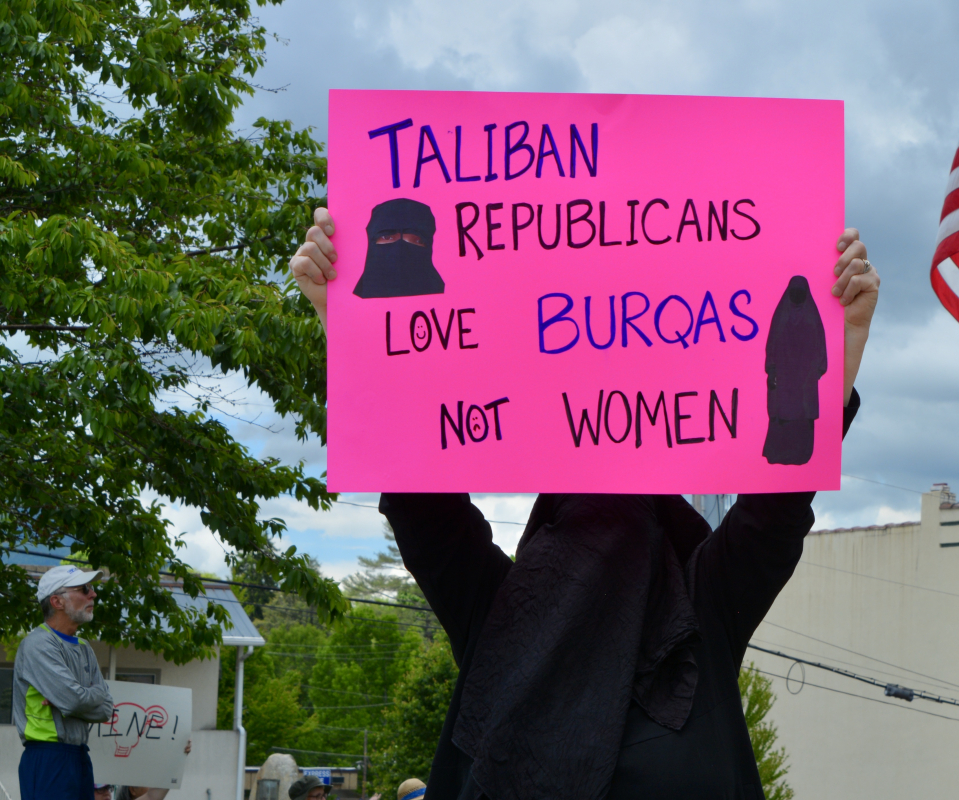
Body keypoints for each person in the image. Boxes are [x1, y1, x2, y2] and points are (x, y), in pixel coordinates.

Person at [291, 209, 879, 800]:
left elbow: (774, 508)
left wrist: (841, 344)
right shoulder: (495, 615)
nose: (598, 548)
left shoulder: (702, 616)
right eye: (577, 522)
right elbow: (422, 498)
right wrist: (347, 319)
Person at [15, 564, 115, 800]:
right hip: (47, 756)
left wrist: (75, 699)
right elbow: (74, 700)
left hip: (80, 755)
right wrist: (83, 697)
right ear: (57, 602)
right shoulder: (37, 644)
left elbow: (107, 707)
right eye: (83, 589)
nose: (93, 594)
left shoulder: (84, 647)